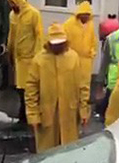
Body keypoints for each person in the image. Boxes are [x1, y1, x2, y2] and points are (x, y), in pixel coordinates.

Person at [25, 23, 89, 153]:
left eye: (60, 43)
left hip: (69, 113)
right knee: (46, 153)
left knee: (68, 152)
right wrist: (33, 115)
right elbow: (31, 89)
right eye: (55, 43)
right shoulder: (39, 60)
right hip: (47, 114)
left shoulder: (74, 58)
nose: (58, 46)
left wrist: (83, 110)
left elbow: (83, 85)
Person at [7, 0, 43, 125]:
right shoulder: (12, 15)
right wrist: (9, 51)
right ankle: (24, 114)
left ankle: (27, 115)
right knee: (19, 89)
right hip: (18, 59)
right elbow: (11, 35)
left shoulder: (34, 14)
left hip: (30, 59)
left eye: (12, 2)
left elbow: (39, 36)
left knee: (29, 89)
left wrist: (37, 58)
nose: (11, 5)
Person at [63, 1, 97, 98]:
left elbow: (93, 41)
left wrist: (92, 52)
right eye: (84, 14)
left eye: (88, 15)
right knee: (71, 87)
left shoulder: (90, 25)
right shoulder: (68, 24)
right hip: (72, 61)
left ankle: (83, 110)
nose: (86, 17)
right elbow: (65, 42)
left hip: (86, 62)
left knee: (85, 87)